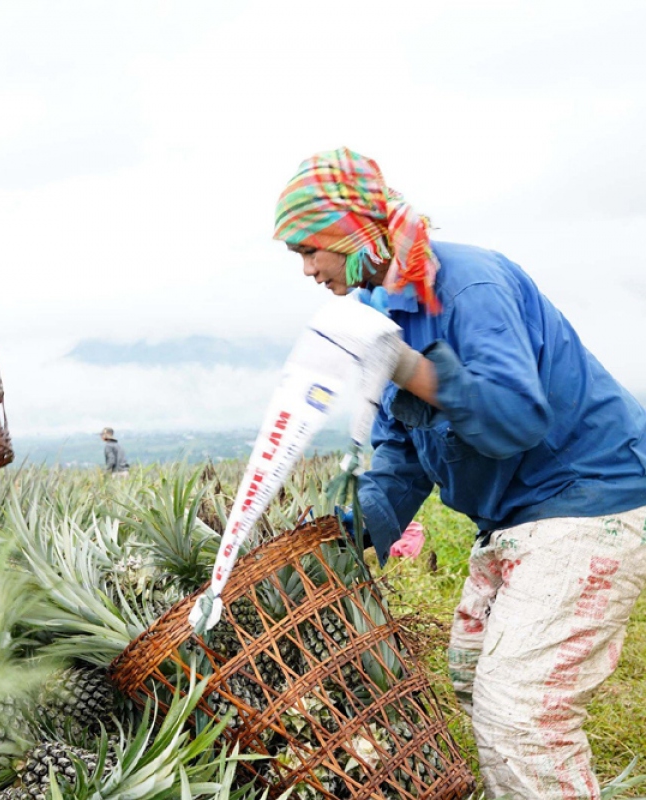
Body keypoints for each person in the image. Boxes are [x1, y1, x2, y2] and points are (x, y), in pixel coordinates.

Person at [272, 147, 646, 799]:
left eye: (311, 249)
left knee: (523, 715)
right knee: (476, 682)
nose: (307, 269)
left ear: (352, 228)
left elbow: (517, 418)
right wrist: (346, 534)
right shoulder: (385, 316)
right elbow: (400, 458)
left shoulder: (464, 284)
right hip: (513, 520)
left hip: (586, 504)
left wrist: (411, 368)